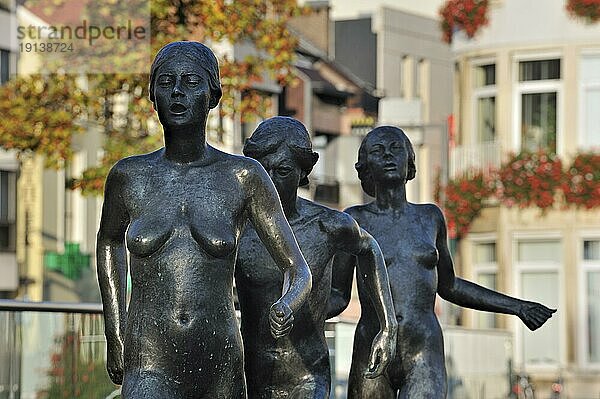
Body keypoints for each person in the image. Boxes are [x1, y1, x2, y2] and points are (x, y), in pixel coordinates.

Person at [96, 42, 312, 399]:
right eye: (166, 82)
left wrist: (287, 303)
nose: (178, 91)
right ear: (153, 96)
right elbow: (109, 243)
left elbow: (297, 268)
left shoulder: (243, 176)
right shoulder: (129, 177)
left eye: (192, 81)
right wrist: (114, 333)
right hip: (150, 357)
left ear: (213, 96)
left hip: (219, 362)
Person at [328, 126, 556, 398]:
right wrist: (290, 312)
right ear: (366, 166)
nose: (388, 156)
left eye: (396, 148)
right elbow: (338, 295)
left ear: (409, 162)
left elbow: (450, 286)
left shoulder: (429, 218)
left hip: (423, 346)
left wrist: (517, 306)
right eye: (378, 151)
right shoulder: (354, 220)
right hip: (372, 346)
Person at [236, 116, 397, 398]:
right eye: (264, 170)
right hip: (250, 373)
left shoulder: (327, 226)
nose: (271, 180)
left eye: (283, 171)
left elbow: (369, 249)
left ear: (302, 172)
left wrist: (388, 326)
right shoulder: (238, 227)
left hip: (307, 374)